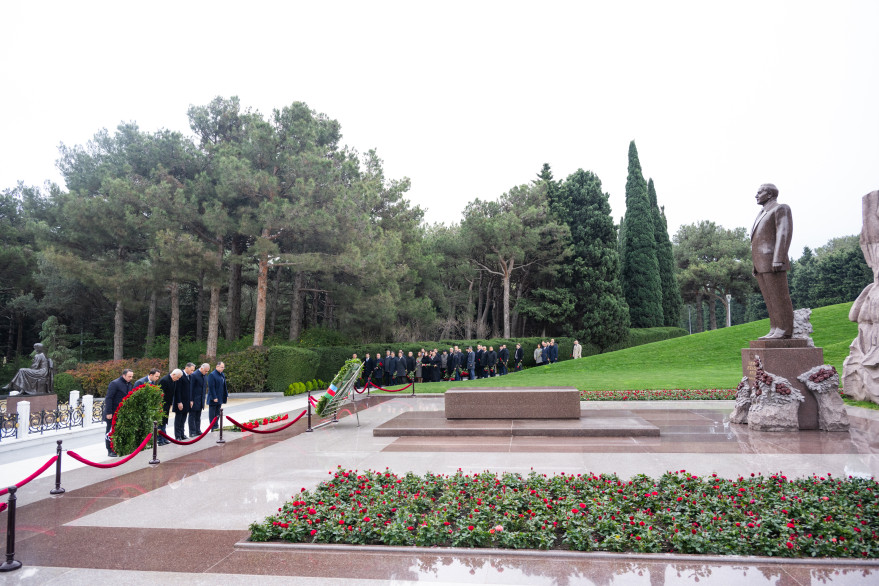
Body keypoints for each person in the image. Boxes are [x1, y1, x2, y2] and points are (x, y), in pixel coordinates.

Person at [751, 183, 794, 339]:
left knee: (779, 297)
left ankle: (785, 329)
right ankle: (775, 327)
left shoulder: (781, 208)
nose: (756, 196)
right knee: (770, 298)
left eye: (759, 192)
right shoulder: (762, 212)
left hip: (773, 260)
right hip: (761, 262)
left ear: (769, 194)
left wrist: (779, 258)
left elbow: (784, 233)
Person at [104, 369, 133, 457]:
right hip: (112, 412)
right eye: (129, 376)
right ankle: (110, 450)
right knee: (110, 431)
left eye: (132, 376)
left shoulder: (129, 384)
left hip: (122, 412)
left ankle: (118, 448)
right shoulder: (115, 383)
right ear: (123, 375)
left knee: (119, 431)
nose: (131, 378)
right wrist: (109, 412)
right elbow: (109, 398)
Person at [158, 369, 183, 444]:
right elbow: (160, 393)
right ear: (174, 374)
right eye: (177, 377)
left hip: (167, 404)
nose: (178, 379)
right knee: (160, 422)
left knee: (164, 421)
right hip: (162, 404)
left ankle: (164, 438)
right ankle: (160, 439)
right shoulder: (164, 380)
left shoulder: (173, 381)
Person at [173, 363, 195, 440]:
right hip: (180, 401)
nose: (192, 371)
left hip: (187, 401)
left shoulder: (190, 376)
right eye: (191, 370)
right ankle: (178, 435)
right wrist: (179, 402)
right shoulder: (180, 375)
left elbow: (190, 389)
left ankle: (182, 434)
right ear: (187, 368)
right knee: (178, 419)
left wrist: (191, 400)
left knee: (183, 419)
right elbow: (177, 390)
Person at [189, 363, 209, 436]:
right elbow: (191, 388)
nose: (206, 373)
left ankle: (198, 430)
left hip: (201, 399)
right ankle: (192, 432)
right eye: (205, 371)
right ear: (202, 368)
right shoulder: (194, 375)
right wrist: (191, 400)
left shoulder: (204, 375)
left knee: (198, 416)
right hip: (194, 398)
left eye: (207, 371)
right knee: (192, 416)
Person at [206, 362, 228, 431]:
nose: (223, 369)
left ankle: (216, 425)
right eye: (221, 367)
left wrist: (226, 394)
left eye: (223, 367)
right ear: (217, 367)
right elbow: (211, 387)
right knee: (212, 413)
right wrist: (214, 397)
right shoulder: (212, 375)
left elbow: (224, 386)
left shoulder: (222, 375)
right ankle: (212, 427)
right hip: (214, 398)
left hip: (220, 397)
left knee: (218, 413)